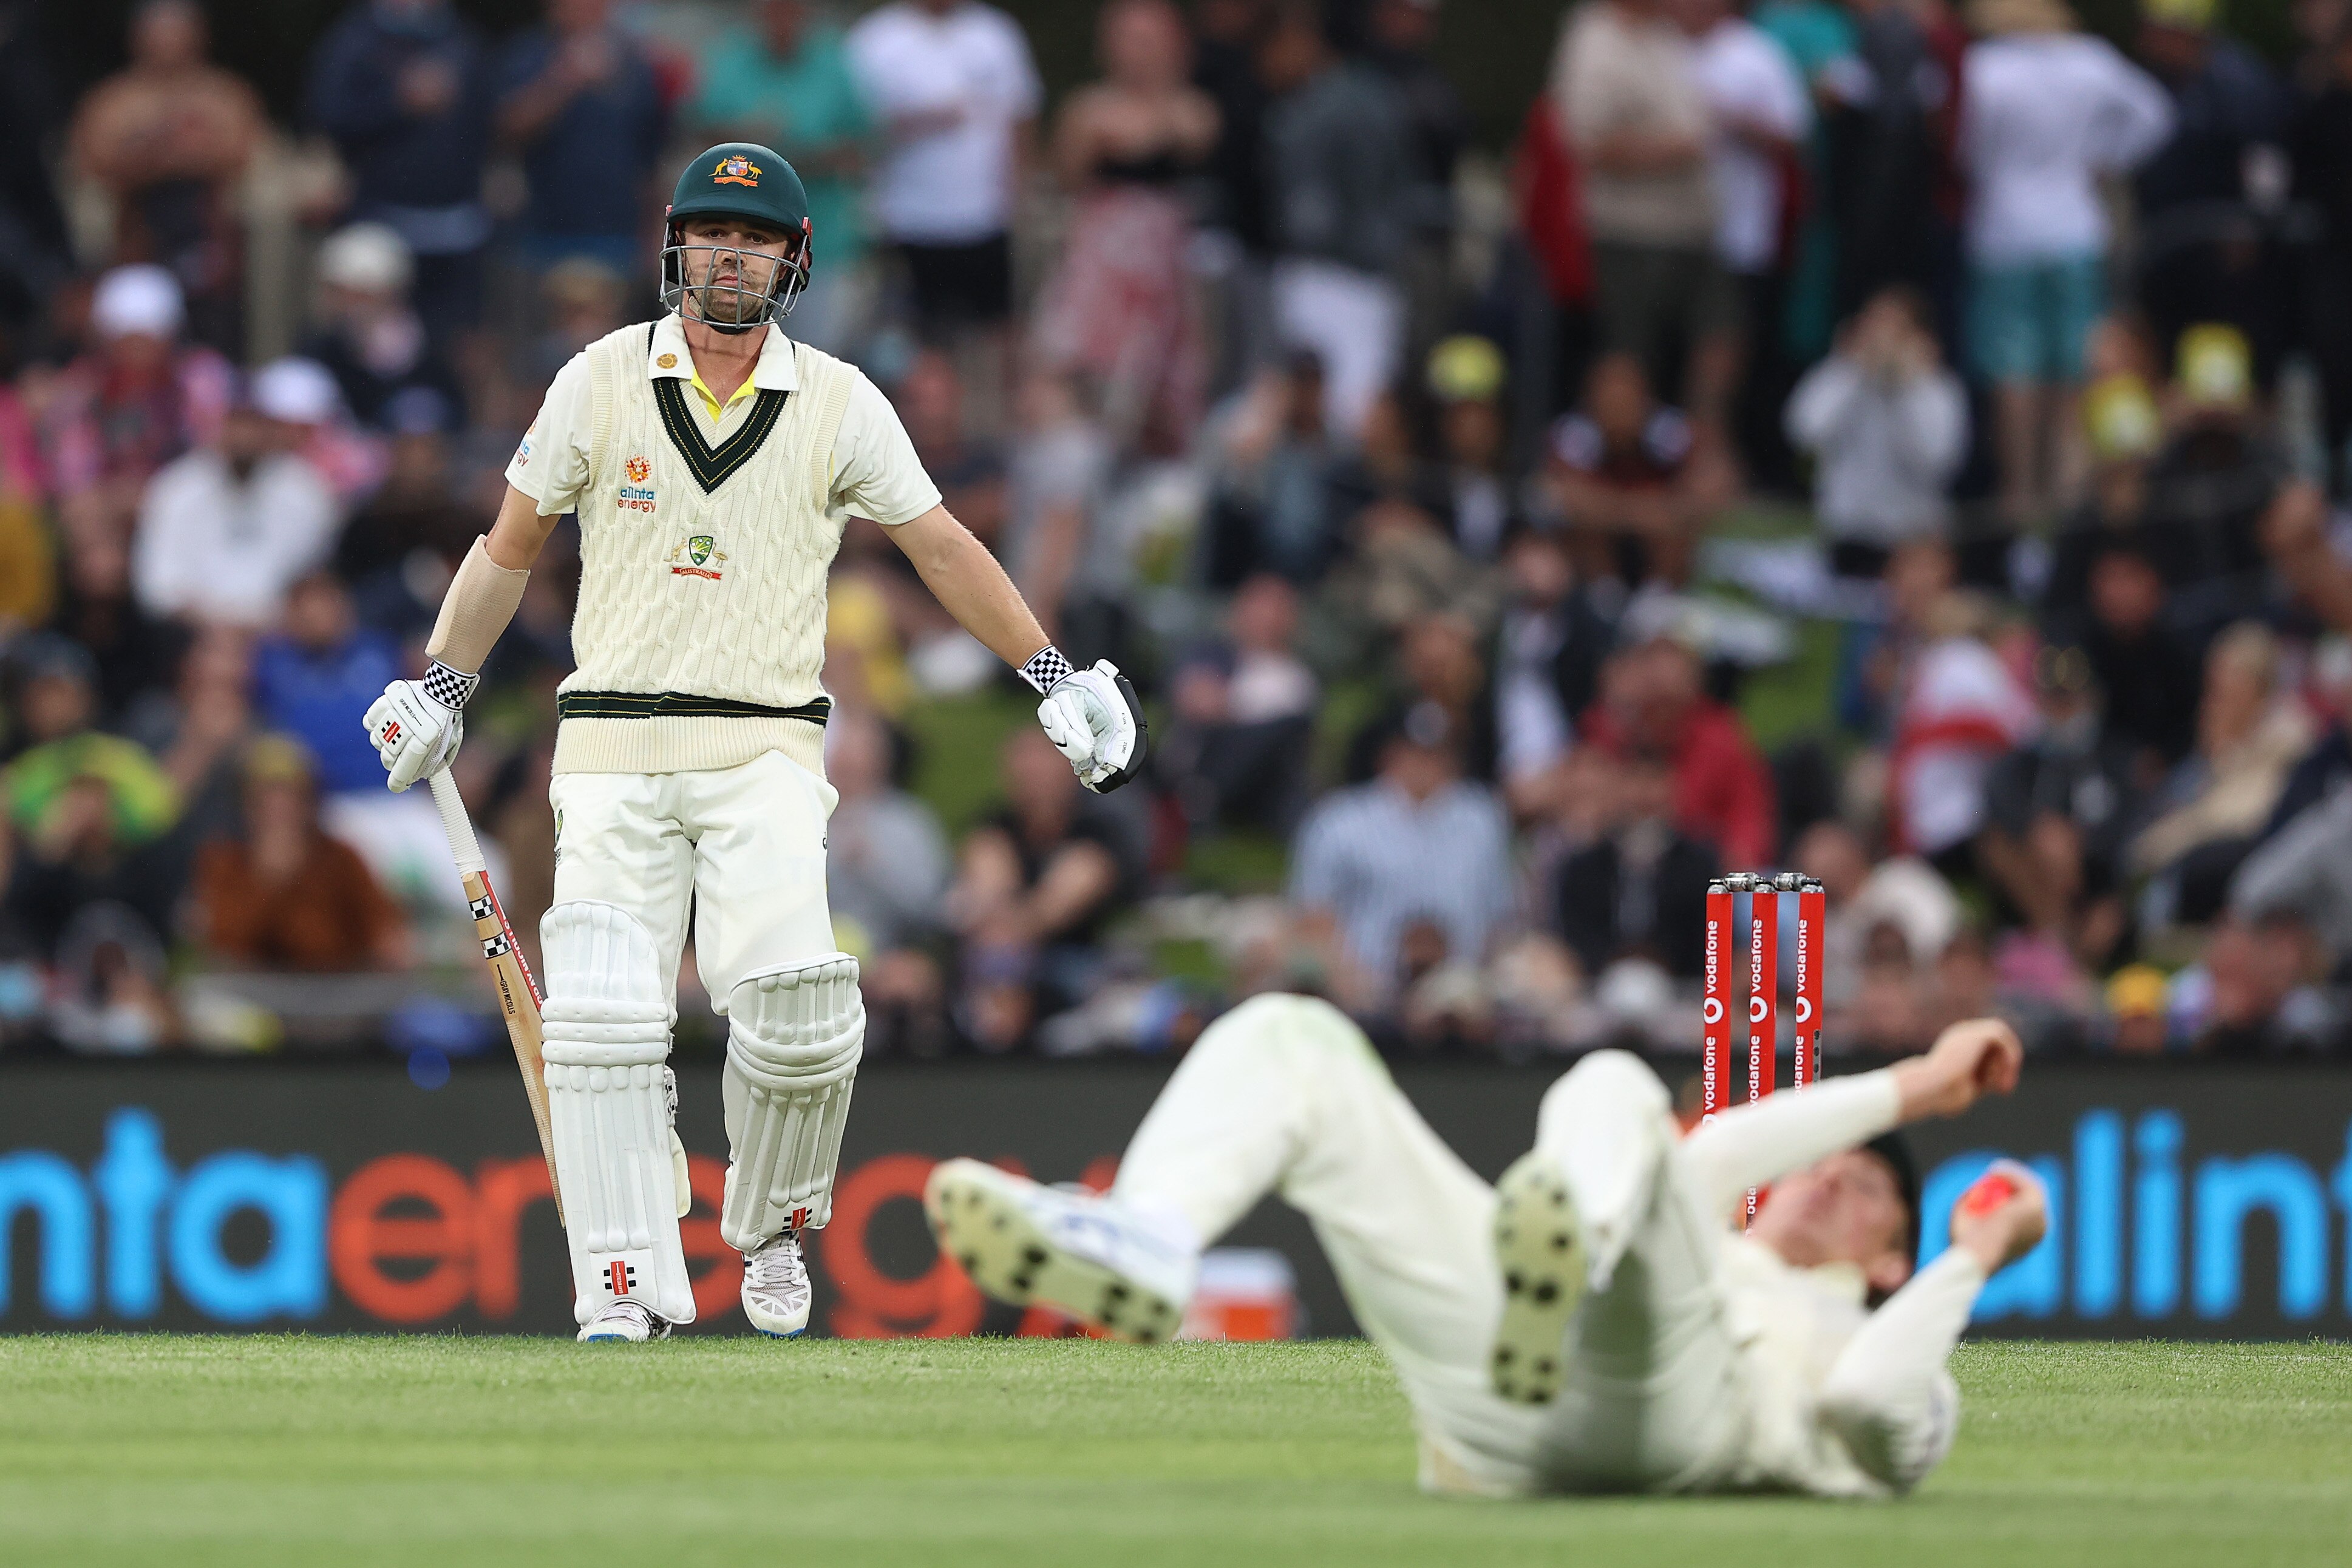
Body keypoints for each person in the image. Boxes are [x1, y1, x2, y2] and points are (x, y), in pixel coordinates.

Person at [359, 143, 1146, 1345]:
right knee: (606, 1019)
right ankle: (622, 1281)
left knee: (801, 1009)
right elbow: (510, 543)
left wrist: (1049, 669)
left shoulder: (837, 399)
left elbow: (940, 547)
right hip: (612, 744)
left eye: (758, 240)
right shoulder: (597, 379)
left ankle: (775, 1221)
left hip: (766, 744)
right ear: (678, 247)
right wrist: (445, 683)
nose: (732, 257)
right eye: (714, 235)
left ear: (792, 261)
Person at [924, 996, 2040, 1501]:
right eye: (1830, 1162)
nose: (1838, 1174)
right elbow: (1726, 1149)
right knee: (1290, 1038)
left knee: (1613, 1096)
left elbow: (1867, 1408)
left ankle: (1563, 1259)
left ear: (1891, 1258)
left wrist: (1972, 1254)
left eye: (1870, 1197)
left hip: (1673, 1424)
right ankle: (1153, 1235)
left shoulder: (1869, 1324)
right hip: (1493, 1407)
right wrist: (1921, 1083)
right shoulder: (1709, 1214)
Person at [1959, 0, 2172, 526]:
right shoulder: (2090, 61)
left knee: (2017, 368)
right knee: (2074, 365)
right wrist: (2104, 158)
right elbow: (2156, 116)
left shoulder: (1987, 66)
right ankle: (2067, 488)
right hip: (2075, 224)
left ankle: (2020, 491)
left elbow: (1967, 148)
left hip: (2005, 229)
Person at [1032, 0, 1217, 454]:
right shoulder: (1088, 108)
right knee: (1079, 368)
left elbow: (1196, 134)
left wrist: (1144, 126)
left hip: (1162, 263)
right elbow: (1066, 173)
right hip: (1104, 257)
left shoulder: (1190, 107)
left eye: (1147, 41)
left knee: (1162, 383)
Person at [1551, 0, 1732, 430]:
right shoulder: (1593, 41)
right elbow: (1587, 144)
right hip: (1630, 233)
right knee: (1629, 357)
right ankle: (1618, 455)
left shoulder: (1667, 36)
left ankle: (1701, 448)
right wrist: (1674, 151)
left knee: (1721, 336)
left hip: (1694, 231)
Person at [67, 0, 265, 355]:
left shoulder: (224, 94)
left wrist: (182, 153)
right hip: (134, 222)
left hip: (209, 222)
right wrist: (157, 152)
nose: (169, 45)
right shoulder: (113, 99)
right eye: (158, 35)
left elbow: (246, 155)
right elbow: (93, 161)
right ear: (138, 39)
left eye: (178, 34)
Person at [1259, 5, 1415, 441]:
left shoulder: (1309, 109)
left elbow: (1304, 213)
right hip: (1378, 285)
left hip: (1317, 279)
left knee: (1307, 423)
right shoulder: (1390, 99)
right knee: (1360, 422)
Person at [1288, 703, 1514, 1000]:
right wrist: (1348, 979)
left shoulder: (1483, 818)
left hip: (1461, 983)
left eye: (1436, 754)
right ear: (1389, 756)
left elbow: (1500, 919)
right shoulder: (1340, 820)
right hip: (1364, 982)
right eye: (1414, 752)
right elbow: (1314, 916)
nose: (1425, 764)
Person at [847, 0, 1042, 343]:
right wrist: (920, 122)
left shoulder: (996, 33)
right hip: (904, 219)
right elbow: (851, 131)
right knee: (915, 339)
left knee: (998, 333)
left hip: (985, 218)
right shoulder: (874, 40)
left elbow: (1021, 120)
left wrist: (1018, 199)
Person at [304, 0, 495, 347]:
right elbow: (329, 116)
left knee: (452, 348)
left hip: (456, 228)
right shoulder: (355, 39)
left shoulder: (462, 39)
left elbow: (490, 125)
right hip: (381, 223)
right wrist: (398, 101)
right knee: (372, 344)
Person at [690, 0, 876, 356]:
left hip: (824, 243)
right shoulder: (730, 59)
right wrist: (747, 139)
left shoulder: (835, 63)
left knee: (814, 360)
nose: (782, 15)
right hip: (739, 246)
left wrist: (786, 158)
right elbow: (699, 135)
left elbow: (863, 147)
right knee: (736, 355)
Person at [131, 362, 341, 628]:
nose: (244, 435)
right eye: (235, 422)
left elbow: (315, 579)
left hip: (280, 635)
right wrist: (220, 630)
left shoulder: (307, 490)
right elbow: (158, 589)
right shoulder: (175, 488)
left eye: (253, 423)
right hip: (196, 632)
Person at [1786, 287, 1970, 581]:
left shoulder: (1939, 391)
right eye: (1874, 326)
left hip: (1907, 545)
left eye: (1895, 330)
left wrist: (1905, 391)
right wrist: (1848, 371)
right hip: (1846, 538)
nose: (1883, 340)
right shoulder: (1843, 377)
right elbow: (1804, 432)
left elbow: (1934, 464)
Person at [192, 735, 410, 972]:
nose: (279, 810)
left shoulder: (341, 859)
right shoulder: (224, 862)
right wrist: (270, 880)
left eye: (290, 796)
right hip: (251, 994)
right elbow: (224, 945)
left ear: (310, 802)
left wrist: (389, 944)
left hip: (335, 991)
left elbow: (382, 932)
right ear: (246, 805)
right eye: (265, 798)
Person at [494, 0, 669, 275]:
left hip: (619, 233)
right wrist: (567, 78)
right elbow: (507, 128)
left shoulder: (634, 62)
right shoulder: (529, 53)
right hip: (543, 231)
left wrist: (655, 230)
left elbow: (650, 154)